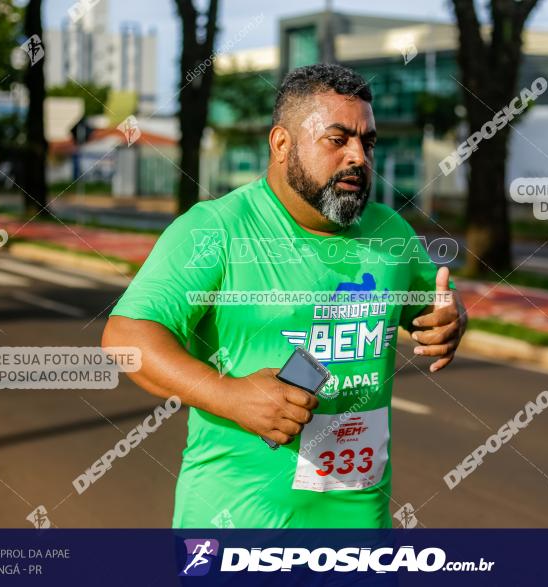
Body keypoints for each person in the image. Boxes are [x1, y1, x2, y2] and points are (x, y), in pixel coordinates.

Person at [102, 64, 468, 528]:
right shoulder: (216, 229)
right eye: (338, 139)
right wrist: (229, 396)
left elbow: (435, 311)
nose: (359, 156)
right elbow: (126, 336)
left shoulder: (389, 232)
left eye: (367, 141)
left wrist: (449, 323)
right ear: (282, 144)